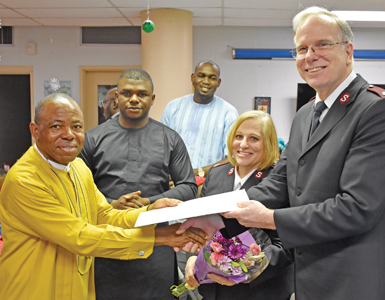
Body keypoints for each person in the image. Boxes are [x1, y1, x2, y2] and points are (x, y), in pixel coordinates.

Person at [178, 6, 385, 300]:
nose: (310, 55)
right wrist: (216, 217)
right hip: (309, 278)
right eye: (302, 48)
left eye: (322, 44)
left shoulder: (378, 110)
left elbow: (357, 208)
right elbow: (279, 183)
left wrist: (270, 219)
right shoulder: (306, 114)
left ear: (348, 51)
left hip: (357, 279)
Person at [0, 93, 207, 300]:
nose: (69, 134)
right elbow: (80, 236)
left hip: (77, 287)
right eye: (56, 126)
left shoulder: (78, 168)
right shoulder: (25, 180)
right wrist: (162, 236)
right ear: (35, 131)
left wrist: (149, 212)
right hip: (33, 290)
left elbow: (104, 214)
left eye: (77, 126)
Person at [79, 68, 198, 300]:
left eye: (142, 94)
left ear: (152, 99)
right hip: (107, 244)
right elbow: (78, 190)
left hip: (157, 244)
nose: (134, 99)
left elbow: (189, 187)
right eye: (126, 93)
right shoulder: (92, 139)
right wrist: (111, 204)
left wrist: (148, 204)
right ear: (116, 97)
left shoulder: (170, 138)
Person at [185, 111, 293, 300]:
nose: (243, 144)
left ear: (268, 143)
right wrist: (193, 258)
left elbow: (286, 245)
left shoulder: (279, 181)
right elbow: (201, 226)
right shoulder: (216, 173)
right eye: (238, 136)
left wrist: (243, 273)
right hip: (212, 289)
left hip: (259, 291)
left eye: (254, 138)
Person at [160, 60, 239, 178]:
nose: (206, 82)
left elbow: (232, 158)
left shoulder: (228, 113)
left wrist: (197, 172)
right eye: (201, 76)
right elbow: (160, 148)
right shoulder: (173, 107)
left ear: (218, 82)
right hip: (172, 181)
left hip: (209, 183)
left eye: (212, 78)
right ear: (193, 78)